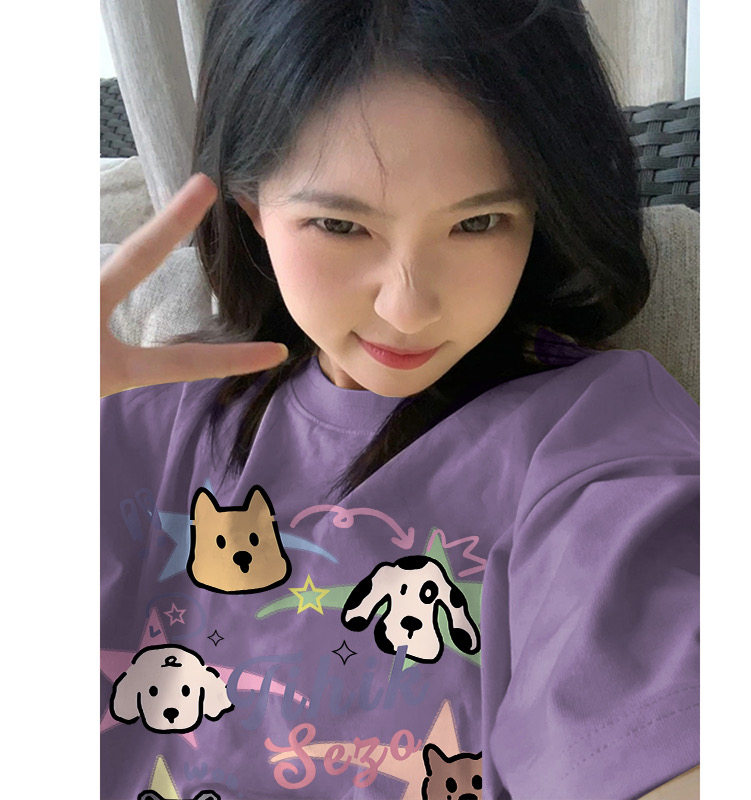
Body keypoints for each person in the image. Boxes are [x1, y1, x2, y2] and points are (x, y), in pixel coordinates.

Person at [100, 1, 699, 798]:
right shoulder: (139, 411)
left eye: (479, 222)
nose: (407, 308)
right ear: (253, 210)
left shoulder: (602, 441)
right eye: (340, 225)